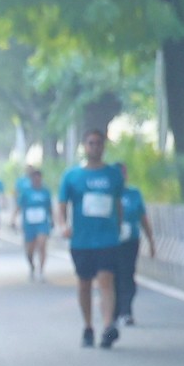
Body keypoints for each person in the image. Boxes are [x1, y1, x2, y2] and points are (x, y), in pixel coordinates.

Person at [57, 128, 126, 346]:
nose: (95, 147)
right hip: (82, 240)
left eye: (99, 143)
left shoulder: (113, 174)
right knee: (84, 283)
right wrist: (63, 225)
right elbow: (62, 205)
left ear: (104, 146)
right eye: (91, 143)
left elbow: (117, 203)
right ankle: (88, 326)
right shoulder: (72, 176)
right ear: (84, 146)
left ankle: (107, 326)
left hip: (107, 238)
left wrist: (120, 226)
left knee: (106, 280)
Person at [112, 176, 154, 328]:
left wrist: (151, 241)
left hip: (130, 241)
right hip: (110, 242)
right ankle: (113, 311)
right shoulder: (108, 193)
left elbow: (143, 217)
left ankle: (126, 311)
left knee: (128, 274)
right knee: (113, 276)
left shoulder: (134, 194)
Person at [16, 165, 54, 280]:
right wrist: (13, 218)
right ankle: (32, 265)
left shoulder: (45, 191)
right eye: (34, 178)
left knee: (42, 245)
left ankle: (41, 270)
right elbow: (19, 206)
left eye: (39, 178)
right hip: (29, 223)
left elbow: (50, 207)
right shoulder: (26, 192)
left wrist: (52, 219)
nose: (37, 180)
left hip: (42, 222)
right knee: (30, 249)